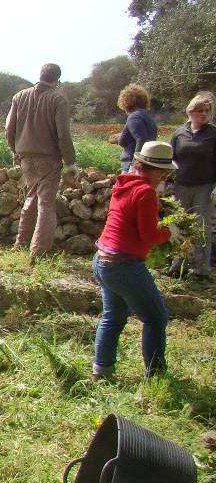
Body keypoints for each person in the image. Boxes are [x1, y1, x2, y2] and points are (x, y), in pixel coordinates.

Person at [92, 141, 178, 381]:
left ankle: (102, 370)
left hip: (102, 261)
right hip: (124, 265)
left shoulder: (124, 184)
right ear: (151, 168)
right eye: (162, 172)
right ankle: (157, 374)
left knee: (113, 317)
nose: (164, 177)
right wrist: (171, 232)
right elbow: (149, 236)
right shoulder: (146, 192)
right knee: (156, 317)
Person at [5, 63, 79, 263]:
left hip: (26, 158)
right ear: (57, 80)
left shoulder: (20, 97)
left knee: (30, 199)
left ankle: (21, 244)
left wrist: (14, 150)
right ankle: (38, 253)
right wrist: (71, 162)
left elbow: (9, 129)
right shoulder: (58, 99)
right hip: (49, 159)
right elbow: (63, 134)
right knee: (46, 203)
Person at [167, 93, 216, 279]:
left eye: (207, 111)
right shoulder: (180, 133)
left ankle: (201, 269)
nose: (204, 114)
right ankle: (178, 264)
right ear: (190, 111)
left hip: (204, 187)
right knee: (179, 225)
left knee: (201, 227)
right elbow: (170, 159)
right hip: (182, 185)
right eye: (200, 110)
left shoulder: (213, 134)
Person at [116, 83, 158, 174]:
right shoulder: (149, 118)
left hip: (131, 166)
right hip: (148, 165)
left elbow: (141, 139)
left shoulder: (134, 117)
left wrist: (135, 165)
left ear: (126, 101)